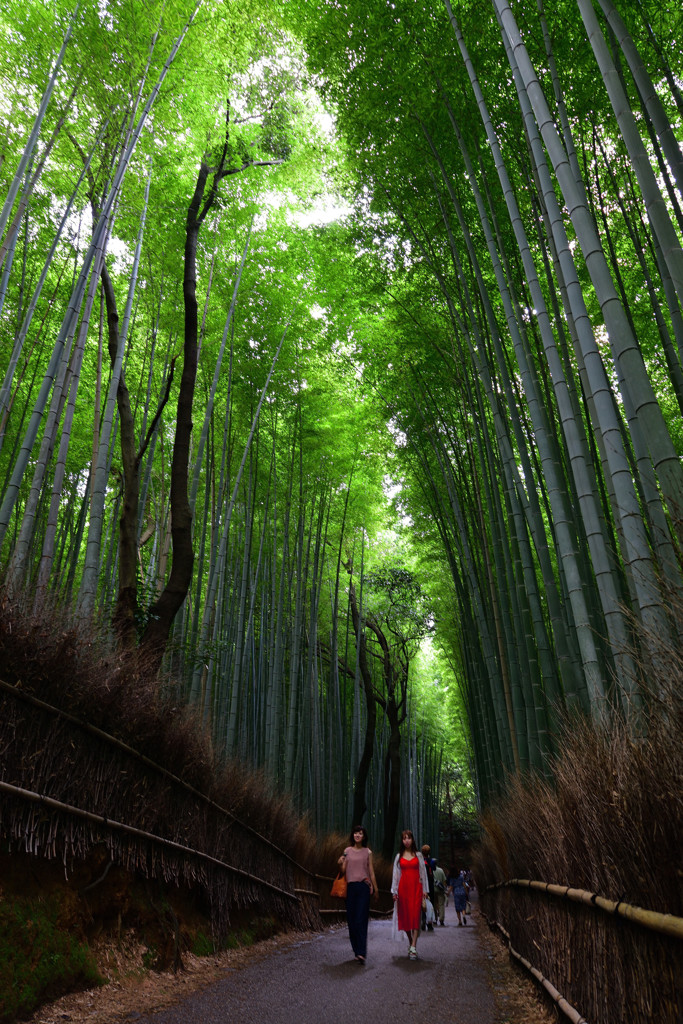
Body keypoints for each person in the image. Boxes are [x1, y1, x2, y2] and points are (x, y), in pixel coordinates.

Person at [337, 825, 378, 963]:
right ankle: (356, 950)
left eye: (360, 833)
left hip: (363, 887)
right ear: (352, 835)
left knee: (361, 919)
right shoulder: (347, 851)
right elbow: (342, 871)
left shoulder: (368, 852)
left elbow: (371, 871)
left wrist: (376, 888)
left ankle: (361, 952)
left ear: (364, 836)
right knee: (351, 920)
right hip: (350, 887)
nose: (357, 835)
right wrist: (340, 863)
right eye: (355, 833)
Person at [391, 829, 430, 960]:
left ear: (412, 840)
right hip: (403, 888)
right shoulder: (399, 856)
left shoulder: (418, 855)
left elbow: (423, 873)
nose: (406, 840)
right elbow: (395, 876)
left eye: (409, 838)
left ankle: (413, 946)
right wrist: (394, 891)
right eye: (404, 838)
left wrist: (425, 890)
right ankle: (410, 943)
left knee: (415, 916)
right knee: (405, 918)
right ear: (402, 841)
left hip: (416, 888)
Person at [421, 844, 435, 931]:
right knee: (430, 902)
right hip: (430, 884)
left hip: (422, 884)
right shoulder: (432, 861)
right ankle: (429, 923)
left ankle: (423, 919)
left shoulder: (420, 861)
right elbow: (434, 869)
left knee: (423, 903)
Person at [432, 857, 447, 926]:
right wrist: (444, 889)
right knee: (441, 905)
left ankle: (435, 919)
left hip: (432, 890)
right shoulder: (441, 870)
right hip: (440, 890)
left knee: (434, 905)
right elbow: (444, 881)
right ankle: (441, 919)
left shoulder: (430, 870)